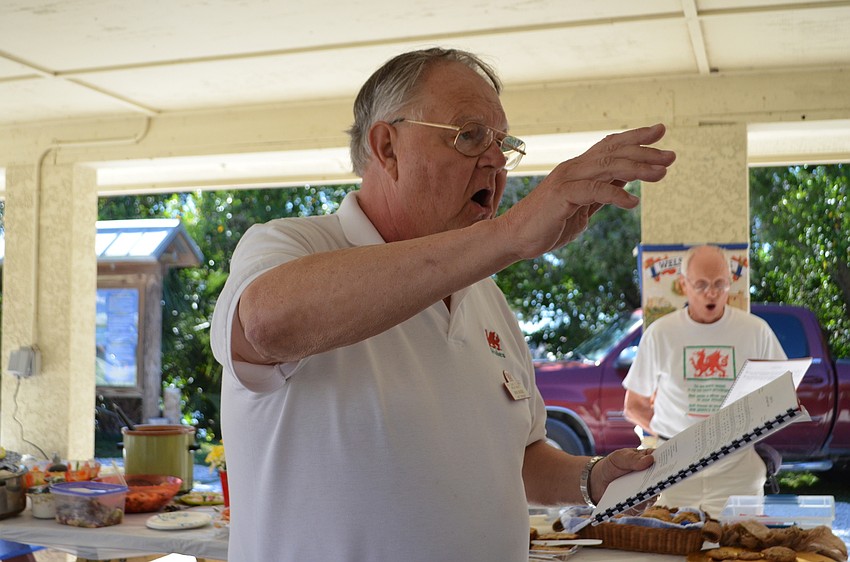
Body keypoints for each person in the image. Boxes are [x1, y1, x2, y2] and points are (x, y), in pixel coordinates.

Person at [210, 47, 675, 561]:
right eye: (470, 136)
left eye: (502, 143)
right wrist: (512, 234)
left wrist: (591, 476)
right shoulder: (291, 246)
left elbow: (515, 457)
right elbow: (265, 324)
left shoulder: (486, 297)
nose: (496, 160)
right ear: (387, 147)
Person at [622, 244, 787, 516]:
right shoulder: (660, 333)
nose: (711, 293)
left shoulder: (756, 331)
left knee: (739, 549)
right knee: (668, 548)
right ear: (683, 285)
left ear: (731, 282)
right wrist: (681, 443)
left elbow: (782, 392)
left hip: (737, 467)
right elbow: (634, 405)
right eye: (701, 285)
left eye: (719, 284)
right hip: (672, 467)